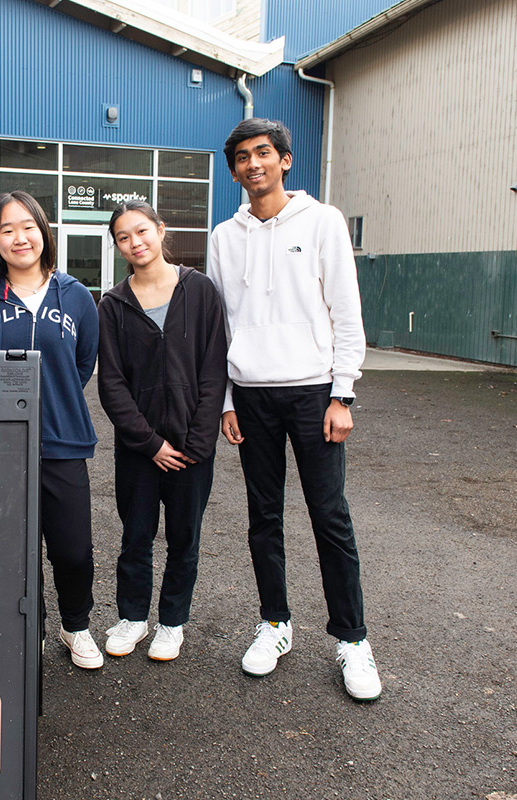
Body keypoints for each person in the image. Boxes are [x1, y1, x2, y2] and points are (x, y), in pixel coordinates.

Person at [207, 118, 382, 700]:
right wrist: (229, 398)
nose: (252, 164)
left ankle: (352, 639)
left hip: (313, 393)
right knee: (264, 518)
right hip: (251, 396)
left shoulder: (323, 221)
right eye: (241, 157)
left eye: (263, 153)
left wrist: (342, 392)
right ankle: (275, 624)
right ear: (233, 169)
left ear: (285, 160)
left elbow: (345, 311)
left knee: (329, 517)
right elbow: (220, 327)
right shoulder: (223, 237)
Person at [0, 190, 103, 669]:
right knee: (14, 550)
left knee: (73, 551)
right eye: (7, 229)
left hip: (63, 442)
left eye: (28, 226)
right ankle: (29, 628)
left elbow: (81, 366)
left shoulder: (76, 295)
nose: (20, 237)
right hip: (2, 448)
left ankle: (75, 626)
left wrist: (50, 401)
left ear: (43, 232)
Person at [98, 200, 227, 662]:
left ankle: (172, 623)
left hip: (193, 448)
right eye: (123, 238)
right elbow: (111, 384)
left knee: (184, 538)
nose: (135, 243)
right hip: (139, 449)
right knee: (135, 536)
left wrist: (196, 442)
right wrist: (150, 443)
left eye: (141, 231)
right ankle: (132, 618)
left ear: (160, 230)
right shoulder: (113, 304)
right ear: (117, 247)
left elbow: (214, 372)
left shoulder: (200, 291)